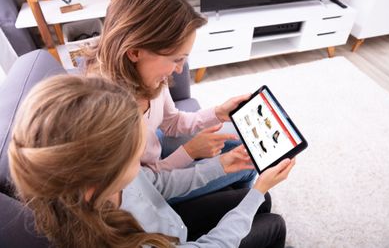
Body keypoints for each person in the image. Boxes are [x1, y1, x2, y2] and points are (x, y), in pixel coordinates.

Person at [9, 75, 295, 248]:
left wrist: (221, 166)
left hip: (171, 225)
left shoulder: (95, 183)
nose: (142, 163)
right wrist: (255, 193)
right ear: (95, 185)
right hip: (178, 238)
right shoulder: (121, 240)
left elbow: (158, 184)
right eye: (136, 157)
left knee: (261, 200)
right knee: (274, 223)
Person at [84, 0, 256, 203]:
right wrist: (190, 152)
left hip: (153, 156)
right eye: (176, 59)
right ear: (135, 51)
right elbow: (147, 187)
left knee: (241, 144)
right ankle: (234, 204)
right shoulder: (109, 116)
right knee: (247, 166)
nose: (180, 69)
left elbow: (171, 122)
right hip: (146, 191)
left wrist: (218, 112)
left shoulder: (149, 77)